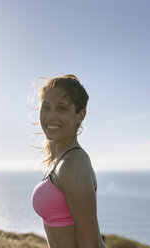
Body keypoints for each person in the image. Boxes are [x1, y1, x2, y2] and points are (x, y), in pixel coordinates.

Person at [32, 74, 107, 248]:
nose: (50, 116)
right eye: (46, 107)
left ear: (80, 115)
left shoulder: (73, 164)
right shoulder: (61, 159)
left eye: (61, 108)